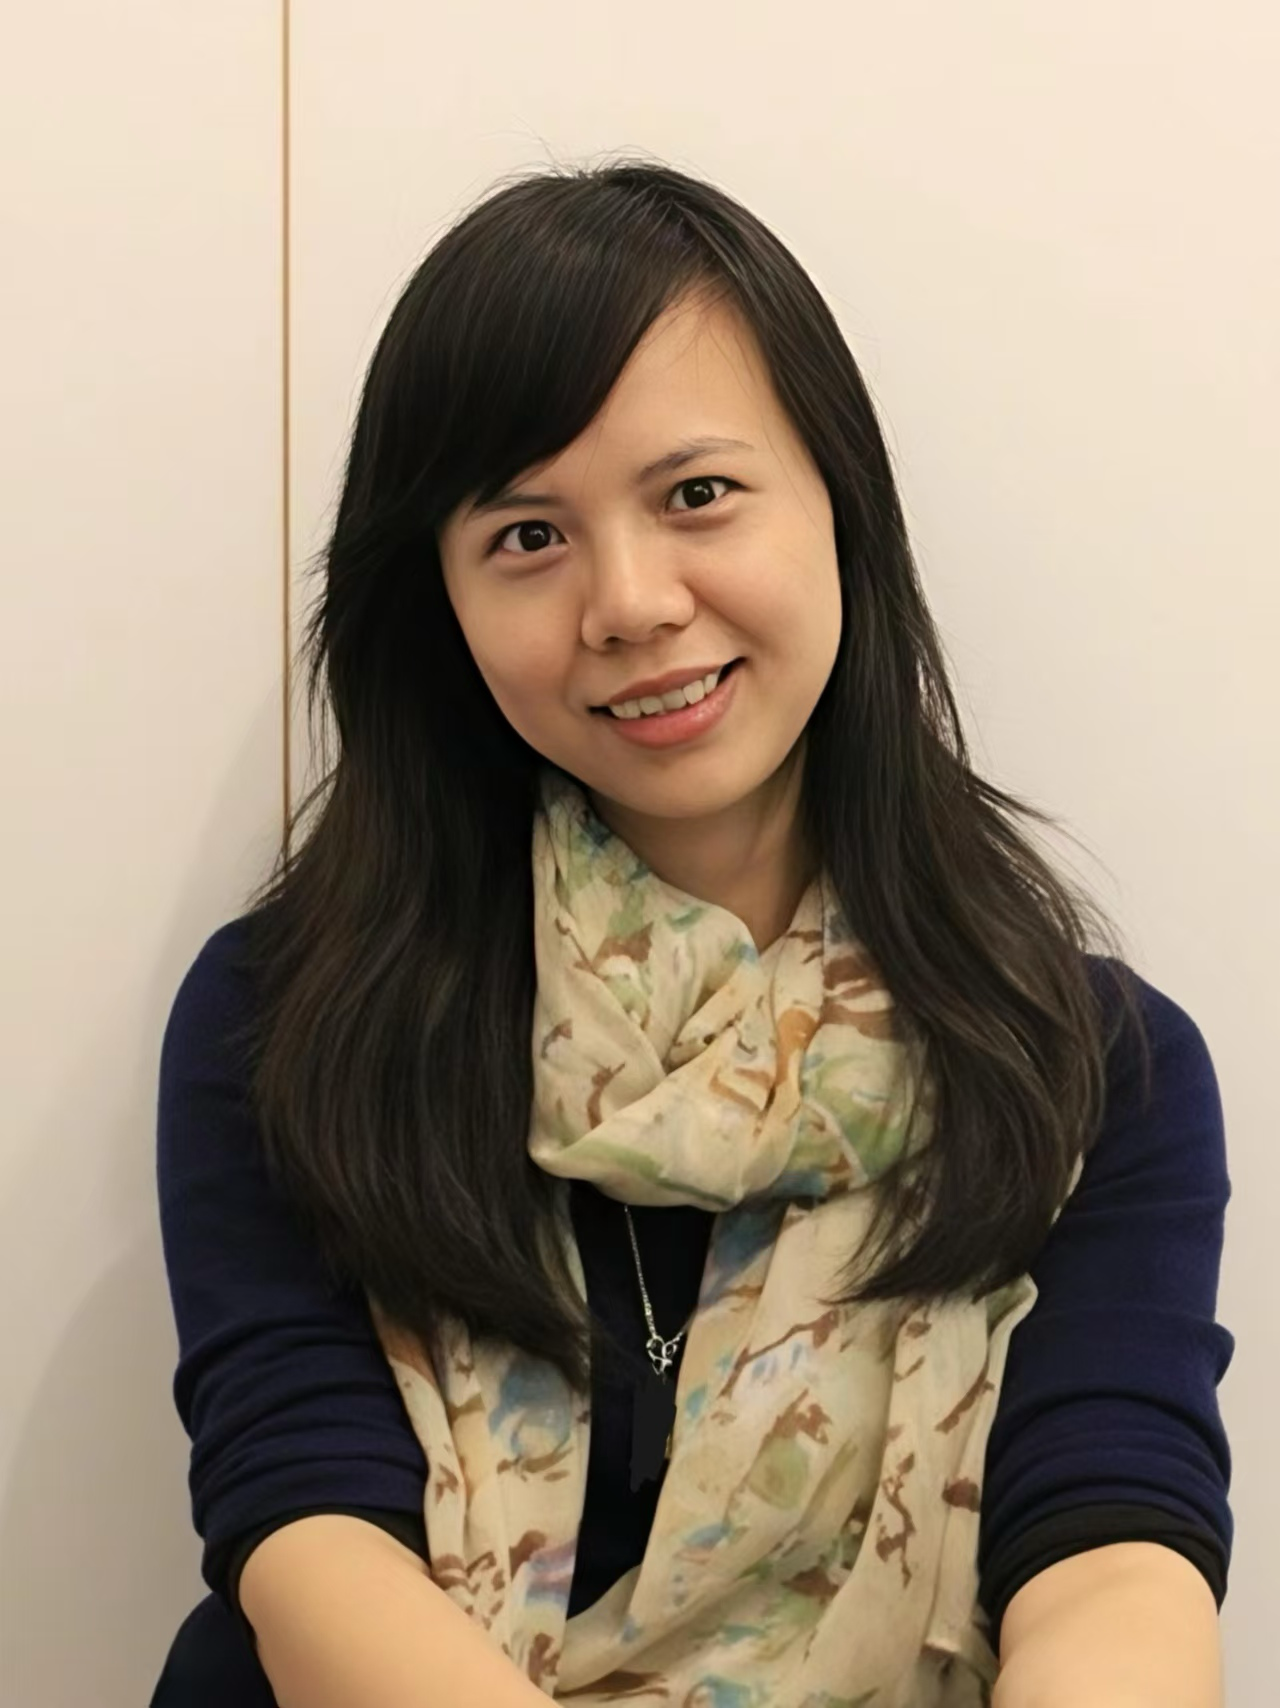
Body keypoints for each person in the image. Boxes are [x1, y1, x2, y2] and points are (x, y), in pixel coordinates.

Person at [150, 158, 1233, 1707]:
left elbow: (1115, 1552)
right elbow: (307, 1536)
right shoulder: (293, 1018)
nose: (631, 601)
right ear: (440, 602)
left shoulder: (1089, 1065)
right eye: (527, 536)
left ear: (839, 500)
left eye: (697, 495)